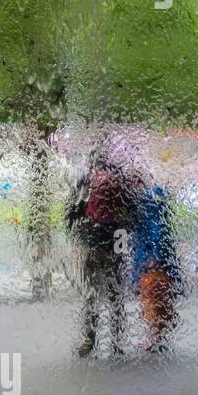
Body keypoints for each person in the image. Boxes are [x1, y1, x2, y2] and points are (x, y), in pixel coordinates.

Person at [65, 151, 138, 357]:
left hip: (93, 240)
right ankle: (117, 342)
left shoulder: (86, 180)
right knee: (116, 293)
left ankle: (89, 340)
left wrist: (77, 235)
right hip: (117, 239)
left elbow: (72, 212)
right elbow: (132, 211)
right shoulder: (121, 182)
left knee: (91, 294)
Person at [131, 182, 183, 352]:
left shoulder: (150, 197)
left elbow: (156, 229)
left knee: (155, 298)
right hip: (153, 255)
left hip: (152, 258)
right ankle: (158, 338)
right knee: (157, 298)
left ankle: (157, 338)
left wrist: (154, 256)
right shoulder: (153, 194)